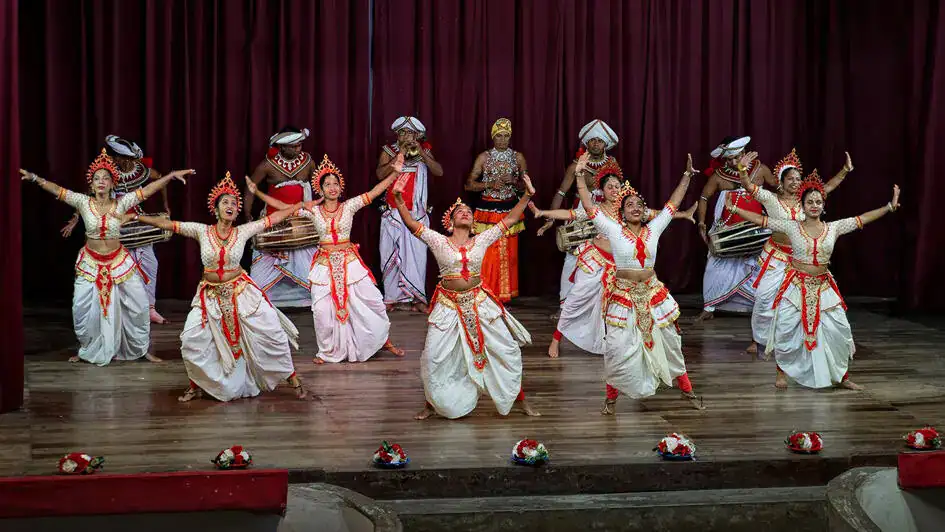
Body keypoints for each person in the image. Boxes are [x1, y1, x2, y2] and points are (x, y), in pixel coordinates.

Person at [725, 152, 898, 391]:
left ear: (823, 205)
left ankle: (843, 376)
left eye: (818, 202)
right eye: (810, 202)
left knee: (838, 329)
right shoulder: (791, 224)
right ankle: (780, 370)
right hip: (794, 279)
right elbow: (761, 221)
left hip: (823, 285)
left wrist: (888, 207)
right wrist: (736, 203)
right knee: (785, 325)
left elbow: (861, 219)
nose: (814, 205)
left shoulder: (833, 227)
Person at [131, 172, 307, 402]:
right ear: (215, 209)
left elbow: (272, 219)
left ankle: (292, 378)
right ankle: (195, 385)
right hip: (210, 295)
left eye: (234, 203)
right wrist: (137, 219)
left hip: (241, 292)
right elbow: (170, 225)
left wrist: (299, 206)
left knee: (271, 330)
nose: (231, 205)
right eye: (225, 202)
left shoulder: (243, 231)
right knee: (192, 339)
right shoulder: (201, 230)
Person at [390, 175, 540, 420]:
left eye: (469, 211)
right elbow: (410, 223)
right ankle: (431, 403)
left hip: (479, 302)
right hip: (448, 305)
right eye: (460, 211)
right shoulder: (438, 240)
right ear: (450, 222)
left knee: (505, 350)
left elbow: (511, 218)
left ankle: (519, 400)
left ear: (473, 223)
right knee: (433, 356)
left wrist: (528, 195)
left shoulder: (481, 239)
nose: (465, 212)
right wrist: (398, 197)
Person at [20, 151, 191, 365]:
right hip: (91, 263)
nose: (101, 182)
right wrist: (35, 178)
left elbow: (146, 191)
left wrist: (170, 176)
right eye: (97, 179)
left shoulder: (121, 204)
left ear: (112, 184)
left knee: (138, 307)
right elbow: (58, 190)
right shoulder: (83, 202)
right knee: (82, 310)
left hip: (119, 262)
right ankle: (87, 349)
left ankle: (140, 350)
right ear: (91, 185)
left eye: (106, 178)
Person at [573, 152, 705, 413]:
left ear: (645, 211)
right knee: (617, 347)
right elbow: (588, 206)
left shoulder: (654, 228)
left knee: (670, 343)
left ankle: (688, 392)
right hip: (623, 296)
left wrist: (687, 176)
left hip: (653, 294)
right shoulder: (613, 229)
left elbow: (673, 203)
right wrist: (579, 175)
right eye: (629, 204)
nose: (635, 207)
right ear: (621, 212)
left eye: (639, 205)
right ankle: (611, 399)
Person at [246, 153, 406, 364]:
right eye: (327, 184)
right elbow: (284, 208)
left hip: (349, 262)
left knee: (373, 302)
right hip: (324, 264)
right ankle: (327, 350)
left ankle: (382, 339)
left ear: (341, 188)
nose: (332, 187)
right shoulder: (312, 211)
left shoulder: (349, 206)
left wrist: (394, 173)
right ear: (320, 190)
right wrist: (257, 192)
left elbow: (375, 192)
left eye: (335, 183)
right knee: (322, 310)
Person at [531, 160, 696, 358]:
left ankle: (616, 344)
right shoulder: (597, 210)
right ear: (602, 190)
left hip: (619, 267)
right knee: (575, 300)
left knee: (615, 307)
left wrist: (684, 213)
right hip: (595, 262)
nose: (614, 189)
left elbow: (661, 213)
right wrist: (543, 212)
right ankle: (556, 339)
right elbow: (570, 213)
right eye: (609, 187)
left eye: (617, 186)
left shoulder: (628, 211)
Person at [736, 148, 854, 355]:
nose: (795, 182)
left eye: (798, 178)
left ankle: (789, 342)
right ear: (781, 181)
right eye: (790, 179)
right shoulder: (771, 199)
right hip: (776, 256)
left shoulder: (806, 201)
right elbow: (748, 186)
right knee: (764, 298)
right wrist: (742, 170)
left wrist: (844, 170)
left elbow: (827, 188)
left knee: (791, 302)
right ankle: (758, 339)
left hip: (800, 258)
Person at [61, 135, 173, 324]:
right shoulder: (106, 175)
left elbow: (161, 179)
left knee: (150, 265)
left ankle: (150, 309)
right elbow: (85, 199)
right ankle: (118, 311)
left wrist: (165, 205)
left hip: (136, 223)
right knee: (118, 270)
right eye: (116, 157)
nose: (119, 161)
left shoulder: (143, 171)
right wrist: (74, 219)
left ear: (130, 159)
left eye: (123, 158)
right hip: (112, 226)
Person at [537, 119, 621, 315]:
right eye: (592, 141)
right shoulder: (576, 165)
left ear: (605, 144)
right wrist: (550, 219)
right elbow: (561, 192)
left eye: (600, 141)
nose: (596, 144)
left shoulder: (612, 164)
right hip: (580, 214)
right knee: (572, 260)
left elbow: (619, 192)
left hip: (605, 214)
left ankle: (602, 305)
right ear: (586, 143)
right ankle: (565, 307)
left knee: (606, 257)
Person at [695, 135, 775, 322]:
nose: (733, 162)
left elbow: (778, 189)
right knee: (715, 267)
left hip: (755, 230)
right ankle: (710, 307)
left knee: (758, 267)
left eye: (737, 157)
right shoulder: (718, 176)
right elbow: (704, 197)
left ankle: (761, 306)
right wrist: (701, 222)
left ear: (745, 153)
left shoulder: (760, 170)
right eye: (729, 159)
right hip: (727, 231)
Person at [246, 127, 319, 308]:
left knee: (308, 259)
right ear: (282, 147)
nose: (298, 149)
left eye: (300, 145)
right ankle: (260, 301)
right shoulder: (267, 165)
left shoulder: (308, 161)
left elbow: (319, 186)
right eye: (293, 146)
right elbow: (250, 189)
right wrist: (248, 214)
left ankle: (311, 299)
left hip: (302, 221)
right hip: (275, 221)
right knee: (266, 263)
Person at [376, 116, 444, 313]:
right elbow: (380, 175)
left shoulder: (424, 150)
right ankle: (391, 298)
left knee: (417, 256)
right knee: (390, 254)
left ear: (418, 135)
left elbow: (438, 171)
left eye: (411, 133)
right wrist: (399, 156)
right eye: (403, 132)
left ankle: (417, 299)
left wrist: (421, 151)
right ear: (397, 134)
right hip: (392, 213)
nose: (407, 136)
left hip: (416, 214)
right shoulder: (389, 151)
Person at [464, 118, 528, 302]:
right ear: (493, 137)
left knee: (510, 254)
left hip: (509, 208)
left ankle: (504, 296)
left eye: (506, 136)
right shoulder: (484, 157)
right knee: (488, 253)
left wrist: (514, 182)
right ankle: (486, 293)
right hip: (487, 209)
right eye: (499, 136)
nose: (502, 139)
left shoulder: (518, 157)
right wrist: (489, 183)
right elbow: (469, 185)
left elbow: (527, 187)